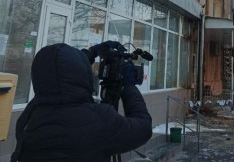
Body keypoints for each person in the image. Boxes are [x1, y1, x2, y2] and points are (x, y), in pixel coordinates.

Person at [11, 42, 152, 162]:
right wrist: (128, 86)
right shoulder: (101, 119)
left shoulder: (30, 116)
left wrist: (91, 52)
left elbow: (58, 72)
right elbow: (144, 128)